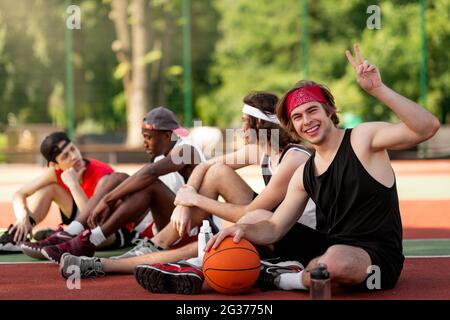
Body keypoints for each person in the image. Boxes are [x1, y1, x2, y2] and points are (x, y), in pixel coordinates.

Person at [204, 44, 440, 293]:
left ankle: (282, 278)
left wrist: (378, 90)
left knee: (334, 260)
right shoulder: (304, 173)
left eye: (312, 110)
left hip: (376, 258)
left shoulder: (362, 139)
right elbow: (275, 228)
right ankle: (202, 264)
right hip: (329, 245)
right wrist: (241, 229)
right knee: (254, 219)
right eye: (297, 117)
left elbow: (427, 127)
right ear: (292, 128)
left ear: (329, 111)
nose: (307, 121)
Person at [59, 92, 316, 293]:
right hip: (270, 227)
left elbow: (252, 213)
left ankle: (182, 262)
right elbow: (207, 165)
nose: (239, 129)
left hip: (296, 236)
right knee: (216, 178)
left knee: (209, 245)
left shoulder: (293, 157)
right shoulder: (264, 150)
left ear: (258, 124)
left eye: (243, 122)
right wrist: (186, 198)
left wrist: (194, 199)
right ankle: (118, 261)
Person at [22, 107, 205, 263]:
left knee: (149, 184)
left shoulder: (186, 150)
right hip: (163, 224)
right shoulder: (160, 155)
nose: (144, 142)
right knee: (118, 178)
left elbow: (150, 174)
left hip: (193, 230)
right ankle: (74, 233)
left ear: (166, 135)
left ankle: (90, 239)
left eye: (148, 137)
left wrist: (108, 199)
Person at [0, 132, 114, 252]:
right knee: (50, 189)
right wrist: (23, 217)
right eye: (65, 156)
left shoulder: (101, 174)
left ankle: (62, 235)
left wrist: (73, 184)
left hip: (106, 227)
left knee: (90, 238)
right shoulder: (55, 173)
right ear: (55, 165)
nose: (74, 156)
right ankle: (18, 235)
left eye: (73, 149)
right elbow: (19, 194)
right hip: (81, 219)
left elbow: (93, 220)